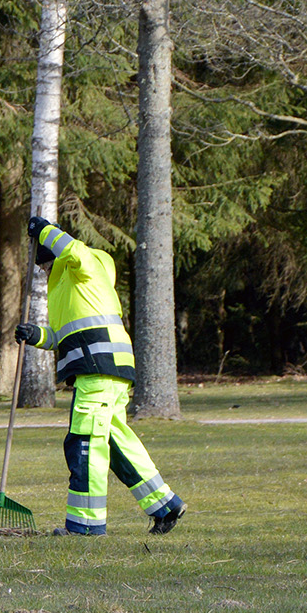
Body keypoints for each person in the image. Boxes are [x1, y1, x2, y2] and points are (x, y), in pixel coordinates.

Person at [14, 215, 184, 536]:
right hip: (109, 368)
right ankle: (165, 504)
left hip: (97, 369)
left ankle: (85, 527)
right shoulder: (69, 288)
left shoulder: (83, 264)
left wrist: (44, 230)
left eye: (43, 264)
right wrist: (34, 334)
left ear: (53, 256)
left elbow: (72, 250)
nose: (41, 271)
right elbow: (64, 337)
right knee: (116, 443)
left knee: (85, 443)